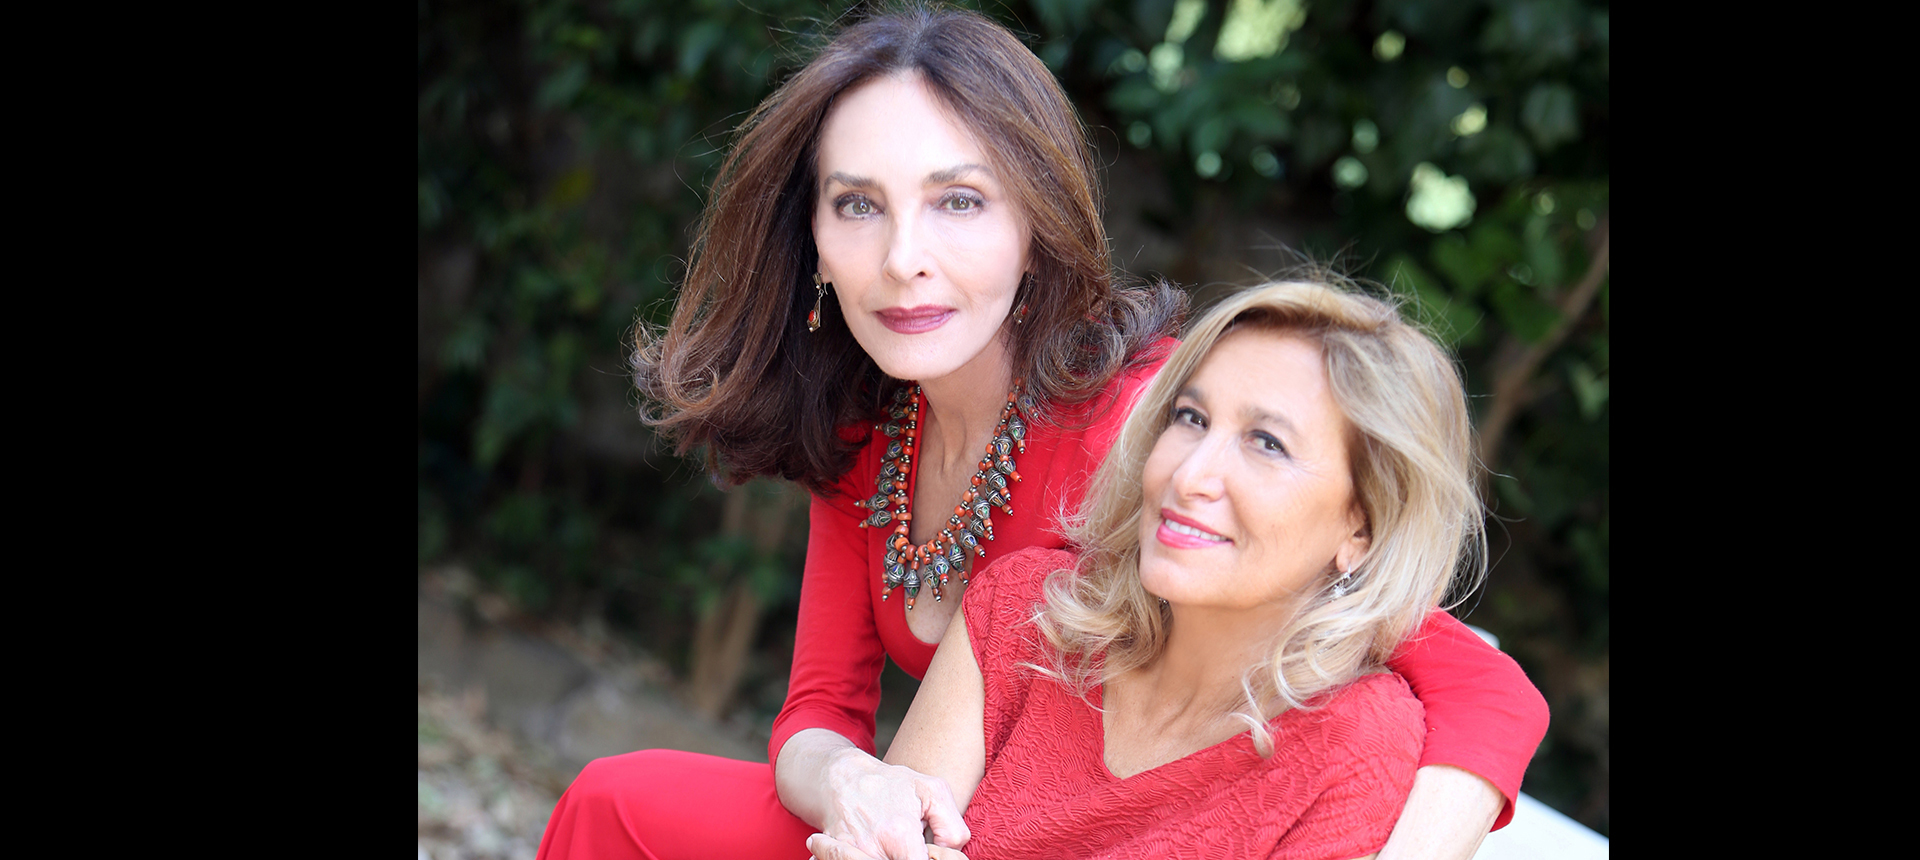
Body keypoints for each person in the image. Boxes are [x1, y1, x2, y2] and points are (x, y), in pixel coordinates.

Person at [537, 8, 1547, 860]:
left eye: (959, 201)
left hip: (1112, 828)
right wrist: (856, 781)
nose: (903, 258)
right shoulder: (867, 421)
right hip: (941, 820)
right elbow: (817, 712)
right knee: (619, 800)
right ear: (815, 243)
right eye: (858, 205)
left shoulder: (1158, 427)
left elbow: (1485, 687)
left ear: (1036, 226)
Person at [808, 278, 1506, 860]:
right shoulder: (1024, 611)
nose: (1190, 474)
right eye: (1192, 418)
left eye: (1267, 443)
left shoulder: (1352, 748)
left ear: (1362, 528)